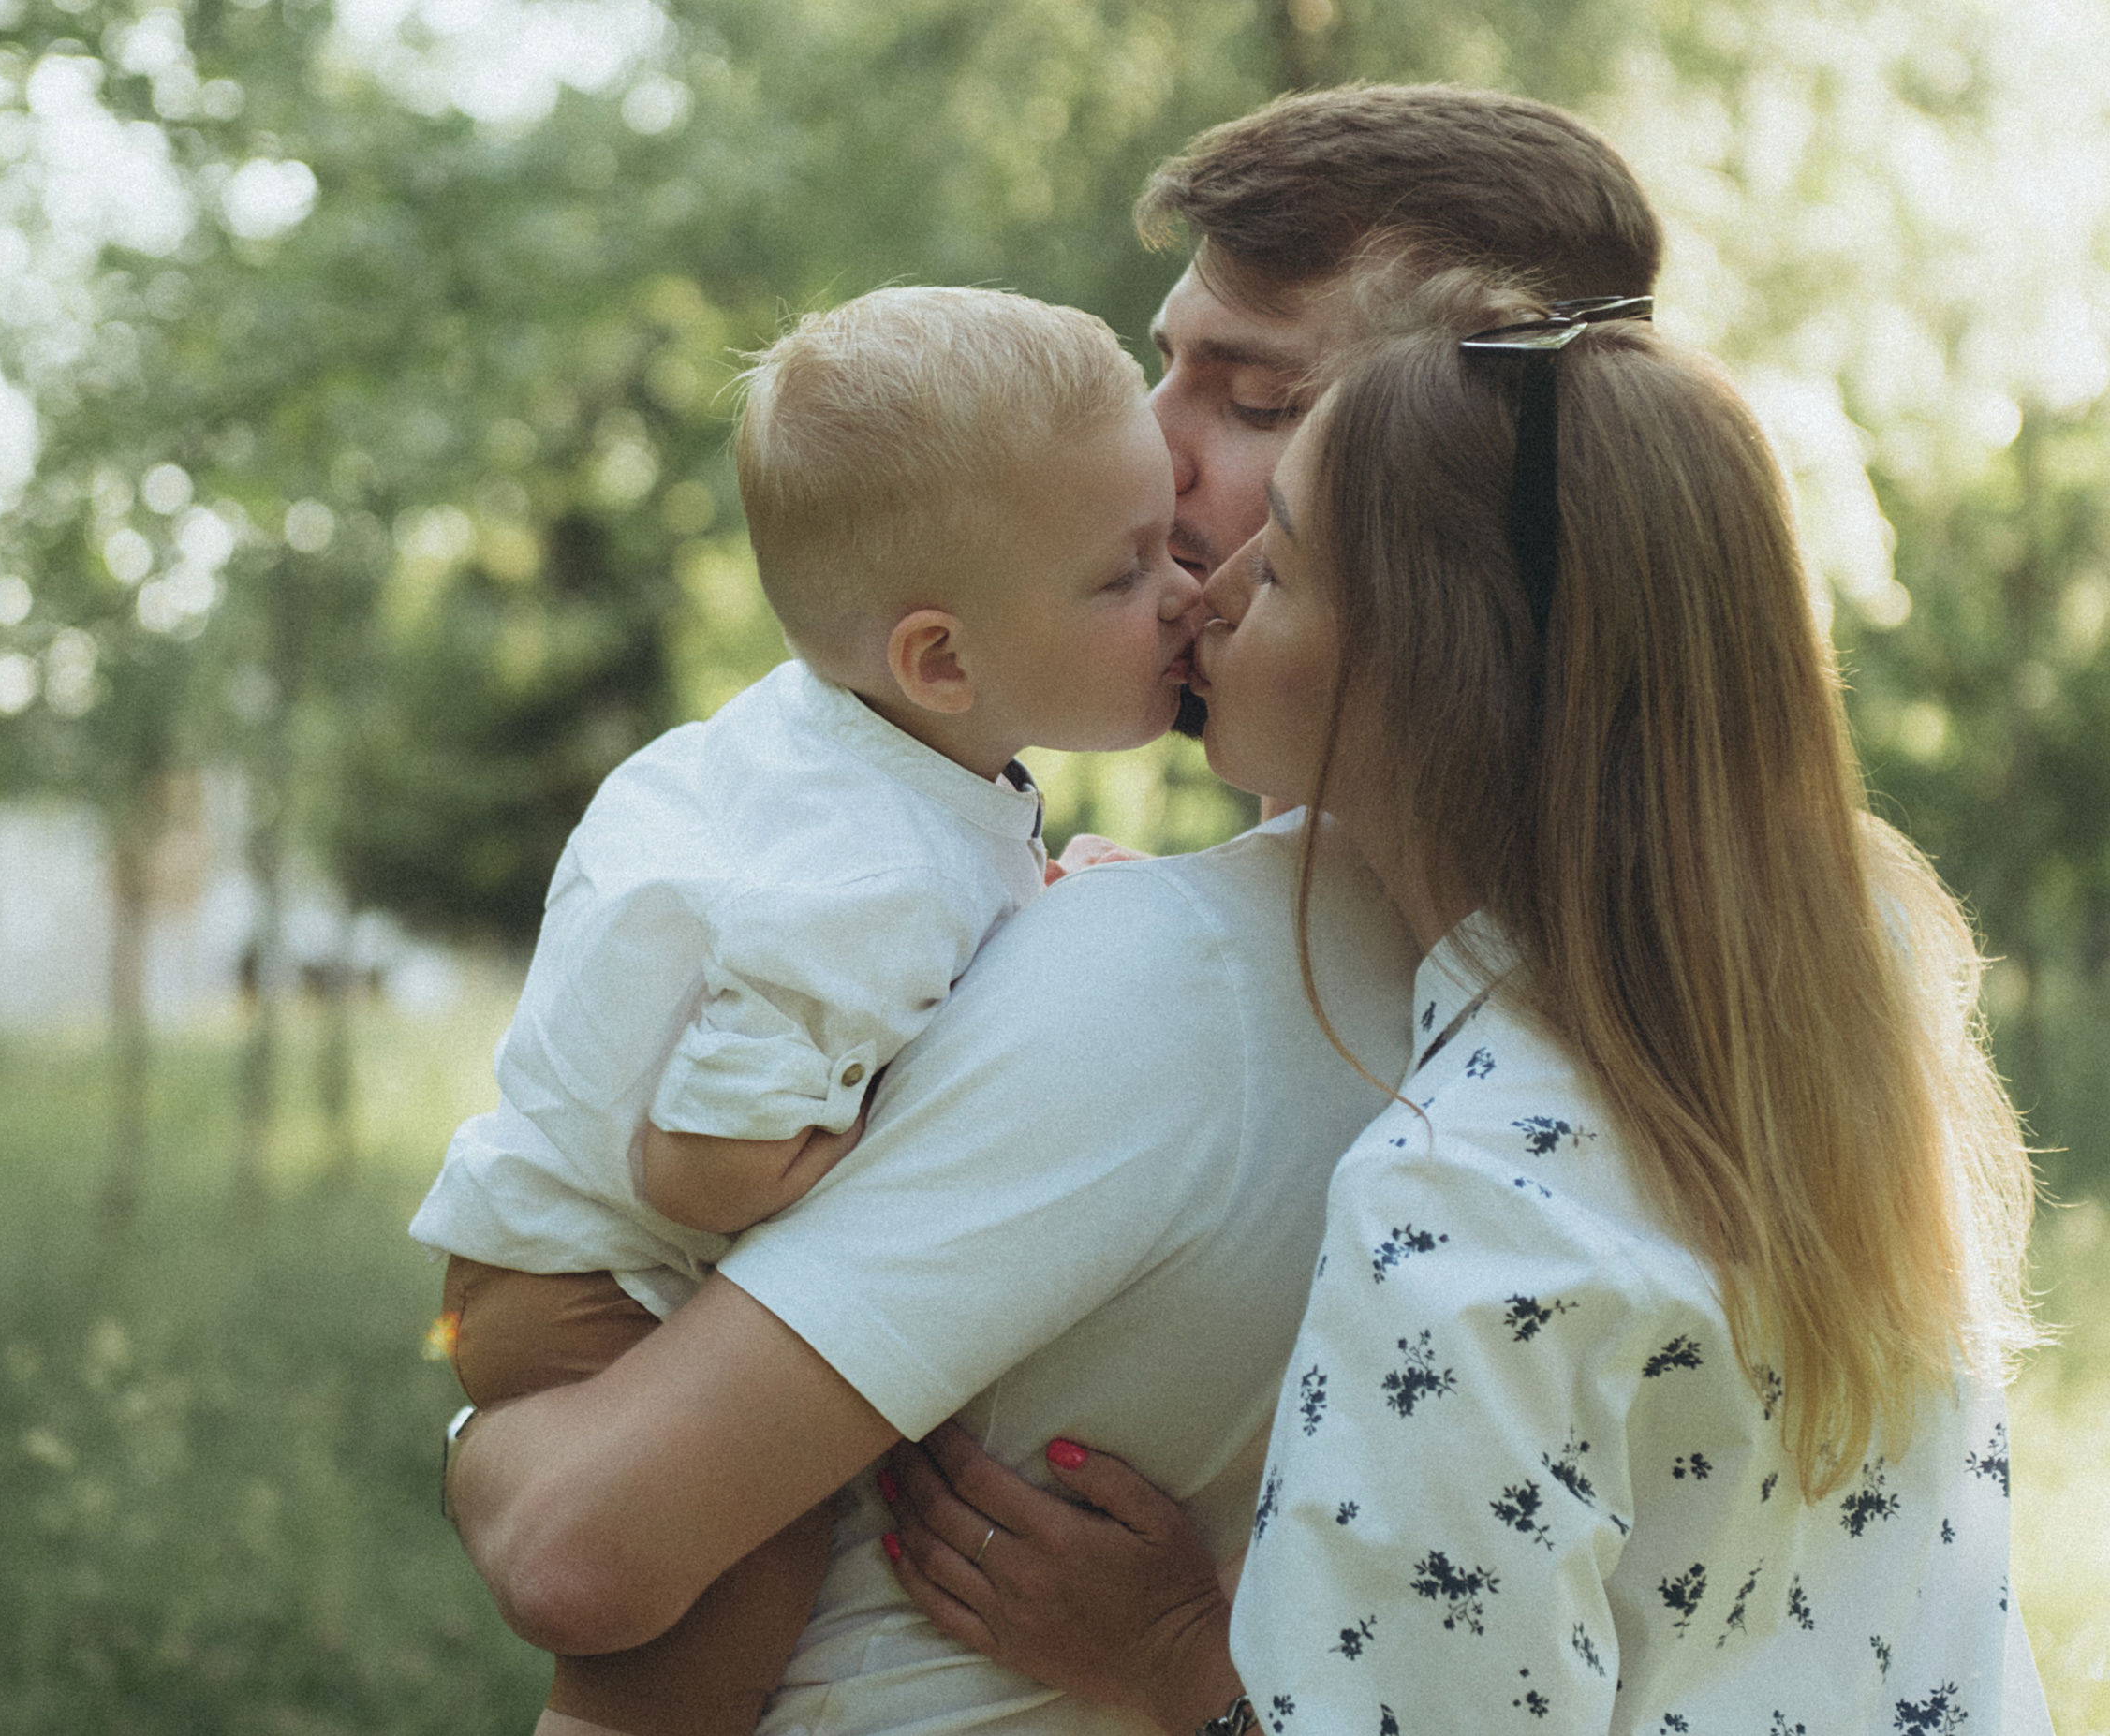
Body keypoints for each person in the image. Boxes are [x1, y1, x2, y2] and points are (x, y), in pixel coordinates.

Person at [439, 86, 1667, 1736]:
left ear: (1453, 465)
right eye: (1162, 363)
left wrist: (489, 1433)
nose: (1152, 448)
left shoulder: (1183, 982)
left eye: (1247, 396)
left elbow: (577, 1541)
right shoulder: (1693, 962)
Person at [882, 268, 2050, 1729]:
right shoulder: (1848, 1012)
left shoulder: (1462, 1205)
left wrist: (1186, 1659)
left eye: (1285, 563)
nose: (1216, 589)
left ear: (1436, 672)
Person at [413, 283, 1204, 1736]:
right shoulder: (866, 879)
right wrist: (937, 1100)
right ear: (941, 658)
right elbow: (699, 1162)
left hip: (534, 1254)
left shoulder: (839, 757)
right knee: (729, 1570)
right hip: (598, 1289)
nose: (1185, 591)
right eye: (1126, 569)